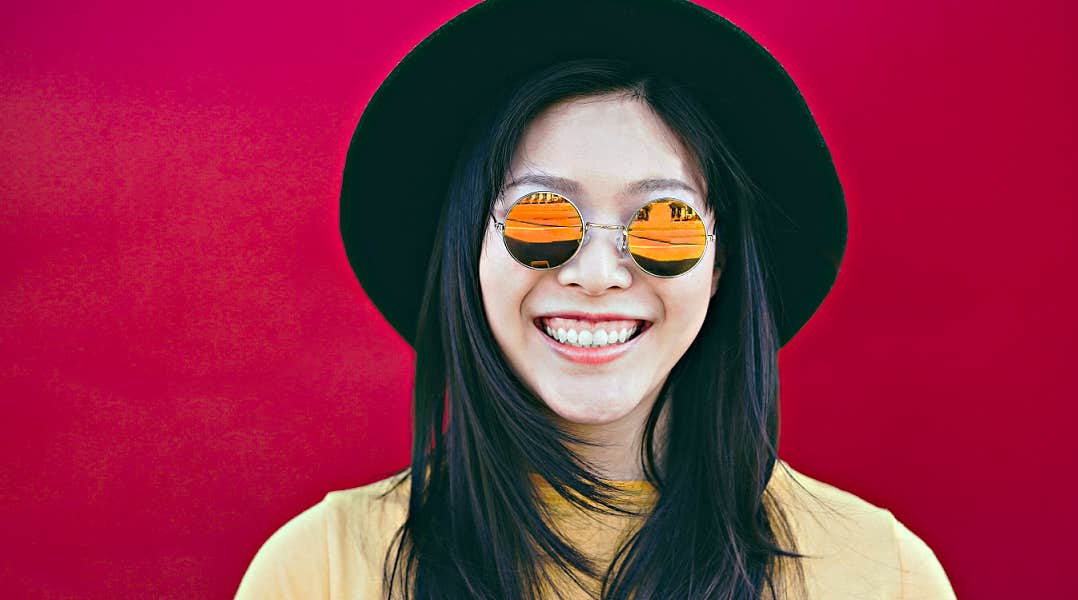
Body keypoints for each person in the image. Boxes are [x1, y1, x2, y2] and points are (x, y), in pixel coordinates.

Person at [235, 1, 956, 598]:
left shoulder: (880, 576)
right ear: (467, 251)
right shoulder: (319, 574)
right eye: (541, 215)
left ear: (719, 264)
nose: (598, 273)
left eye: (664, 221)